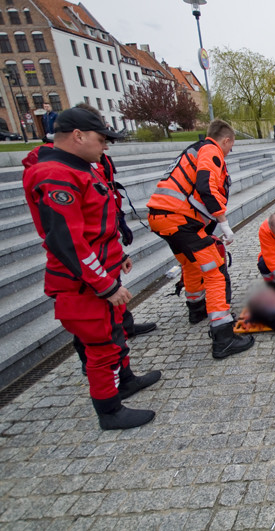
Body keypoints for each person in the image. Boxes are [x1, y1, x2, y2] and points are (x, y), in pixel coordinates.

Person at [22, 107, 161, 430]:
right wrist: (105, 284)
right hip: (81, 285)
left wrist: (117, 255)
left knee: (114, 336)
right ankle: (109, 410)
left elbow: (95, 224)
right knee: (101, 347)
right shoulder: (55, 175)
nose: (106, 147)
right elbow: (67, 241)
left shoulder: (81, 167)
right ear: (78, 136)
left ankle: (124, 380)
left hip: (98, 272)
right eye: (102, 139)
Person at [147, 119, 255, 359]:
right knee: (215, 271)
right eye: (231, 146)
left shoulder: (194, 151)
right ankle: (223, 336)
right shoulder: (210, 151)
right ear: (225, 140)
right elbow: (206, 187)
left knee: (192, 264)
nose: (229, 151)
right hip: (179, 220)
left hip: (162, 218)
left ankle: (196, 309)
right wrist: (224, 224)